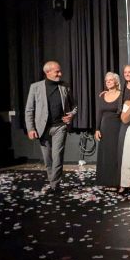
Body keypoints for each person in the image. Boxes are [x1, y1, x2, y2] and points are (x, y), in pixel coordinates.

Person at [25, 61, 77, 192]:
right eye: (57, 72)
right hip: (42, 129)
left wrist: (71, 115)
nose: (60, 73)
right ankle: (53, 182)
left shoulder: (65, 86)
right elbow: (29, 110)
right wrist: (31, 129)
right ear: (47, 72)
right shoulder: (35, 87)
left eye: (60, 71)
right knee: (48, 159)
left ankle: (54, 186)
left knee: (57, 157)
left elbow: (74, 106)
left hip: (60, 127)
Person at [94, 72, 122, 188]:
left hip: (117, 127)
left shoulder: (121, 95)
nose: (108, 82)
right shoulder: (102, 96)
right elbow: (99, 113)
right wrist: (97, 129)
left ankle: (117, 181)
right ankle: (106, 181)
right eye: (106, 81)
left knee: (116, 153)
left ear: (116, 81)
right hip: (104, 128)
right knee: (105, 154)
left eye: (110, 80)